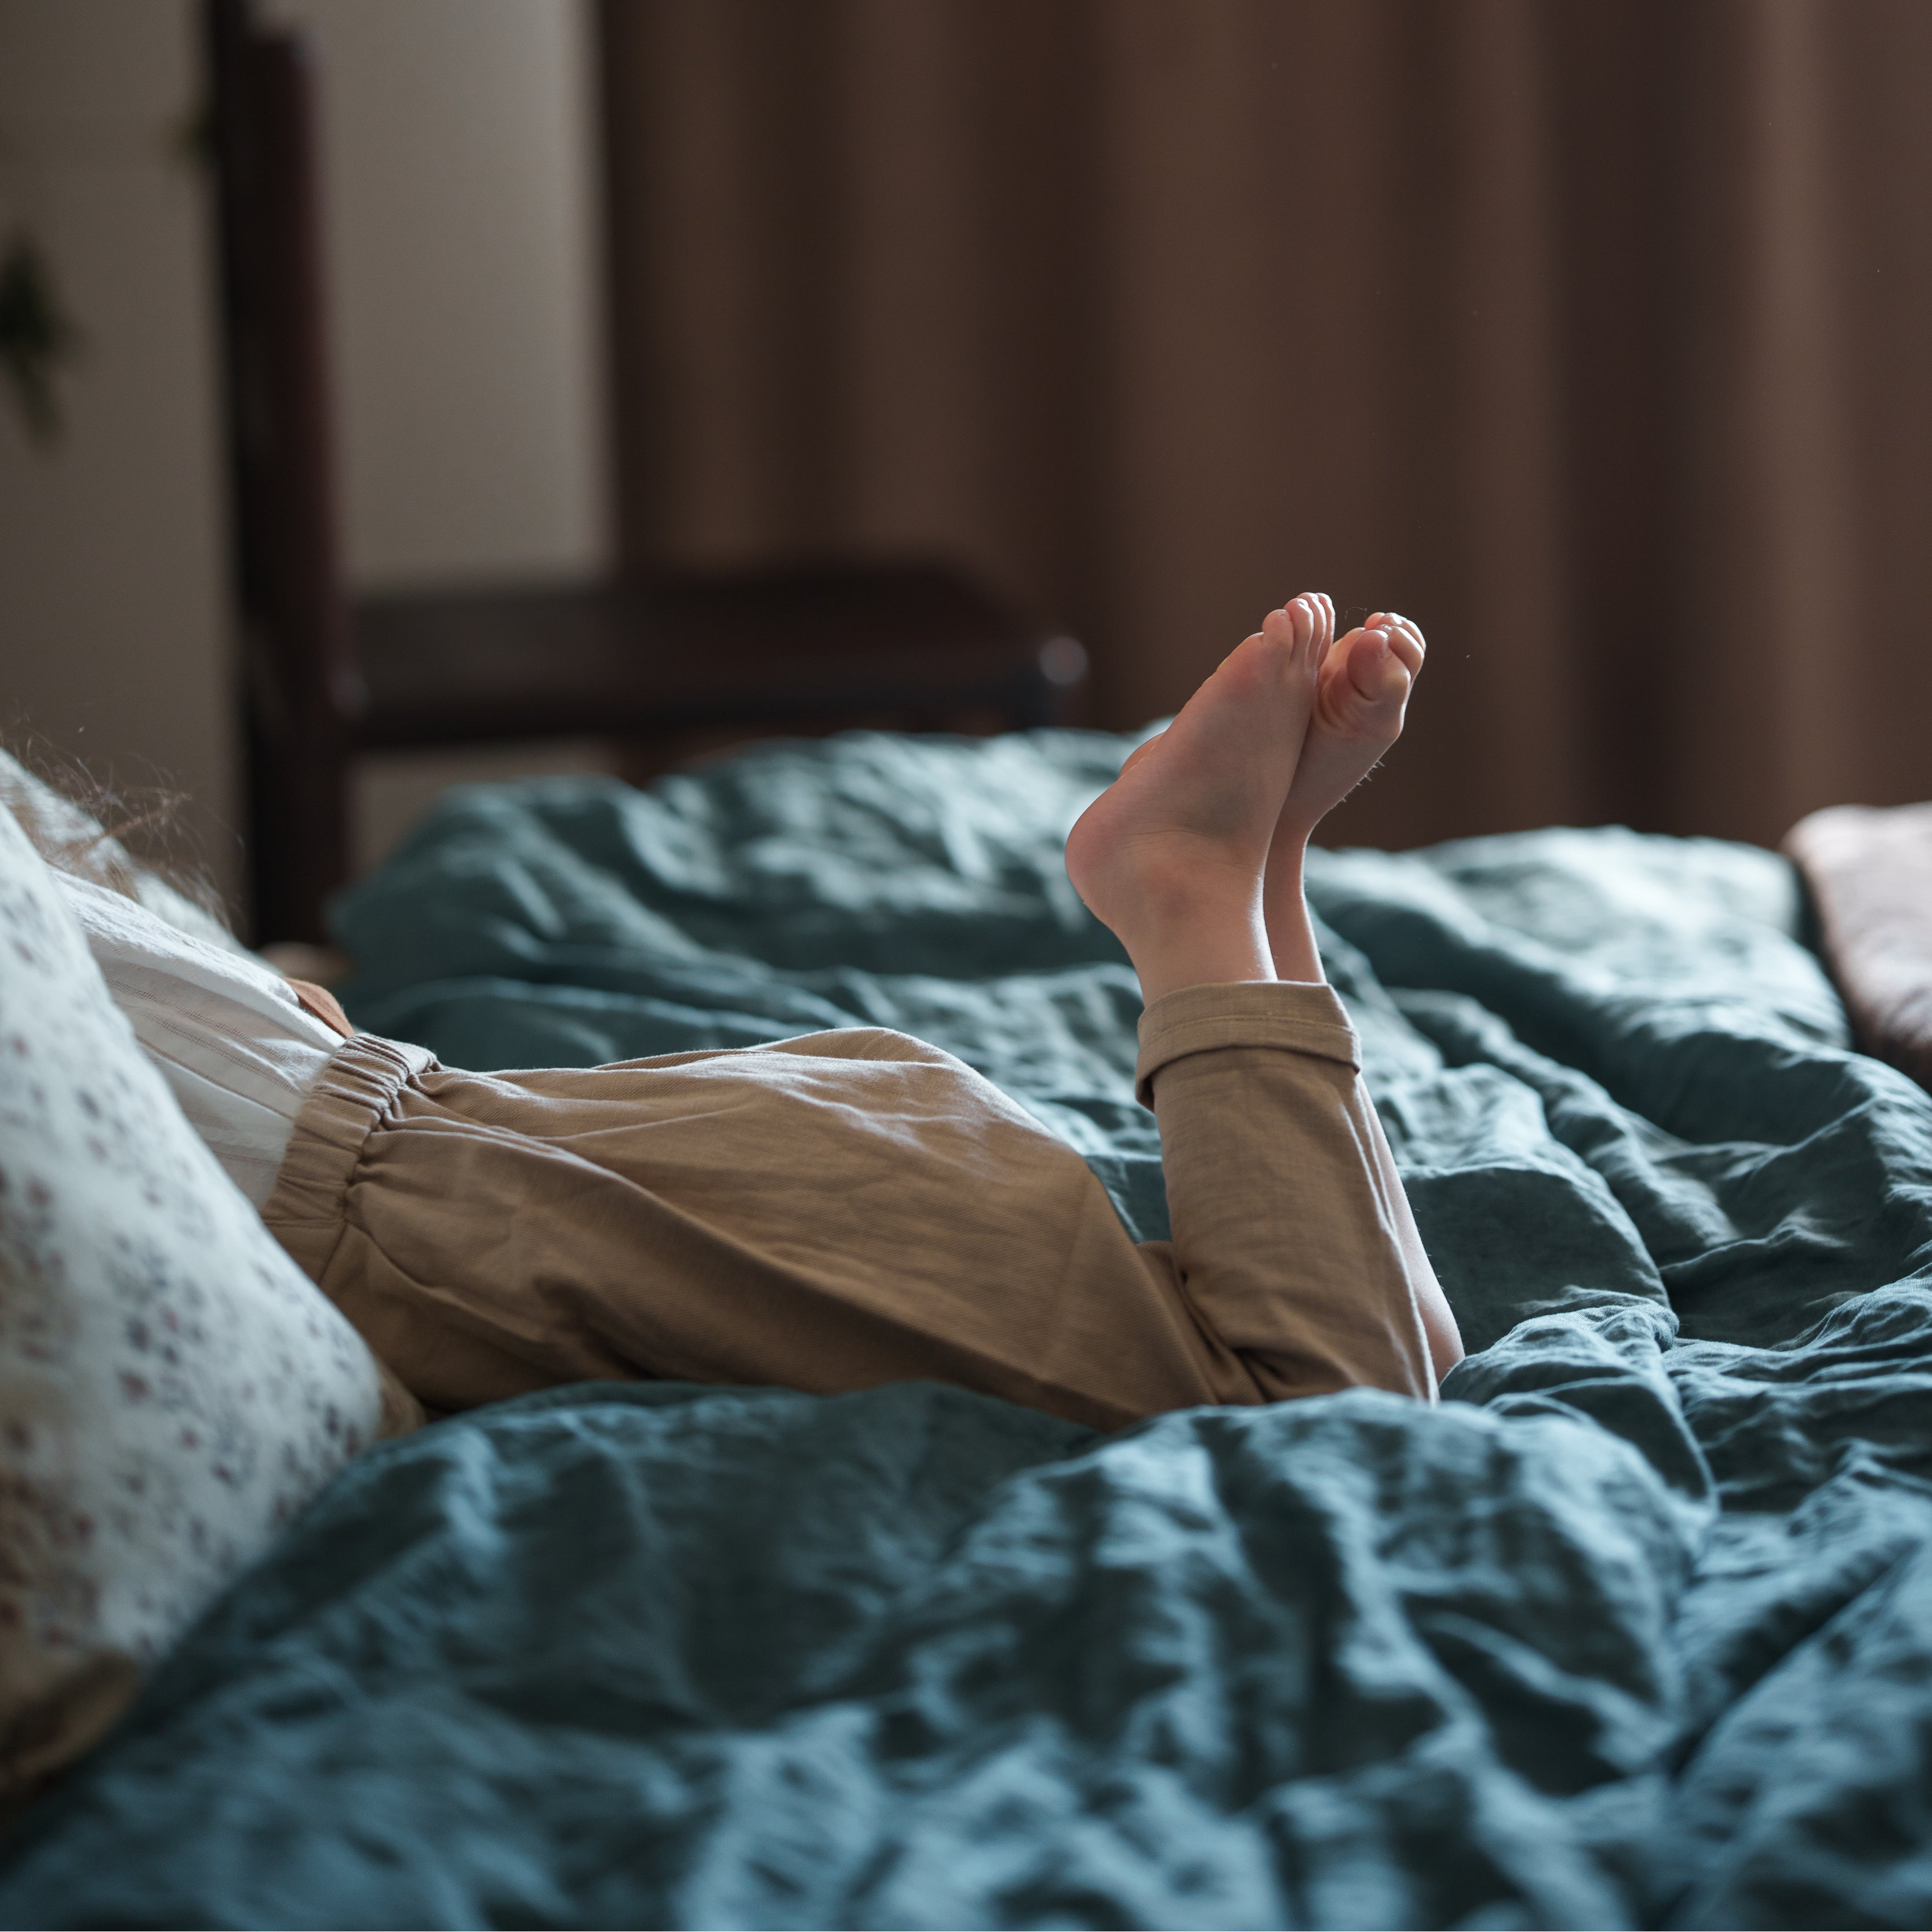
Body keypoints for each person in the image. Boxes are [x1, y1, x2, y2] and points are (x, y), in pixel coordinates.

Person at [40, 592, 1462, 1432]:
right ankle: (1247, 888)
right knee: (1387, 1356)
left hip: (446, 1196)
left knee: (1314, 1389)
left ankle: (1209, 882)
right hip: (456, 1157)